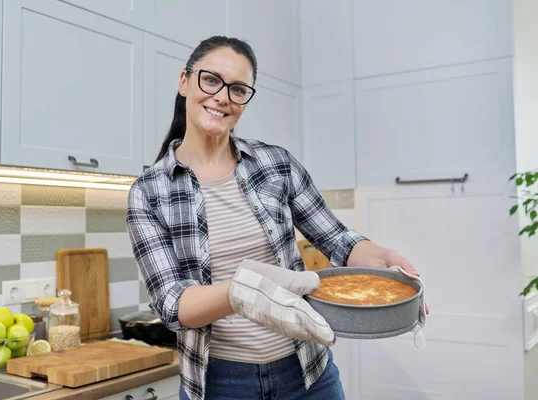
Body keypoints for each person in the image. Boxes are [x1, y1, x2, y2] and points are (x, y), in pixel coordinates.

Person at [126, 35, 425, 400]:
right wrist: (244, 288)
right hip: (219, 383)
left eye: (238, 89)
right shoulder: (149, 191)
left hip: (307, 372)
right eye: (211, 80)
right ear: (185, 81)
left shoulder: (275, 165)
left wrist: (382, 258)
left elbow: (338, 241)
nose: (222, 97)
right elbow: (173, 304)